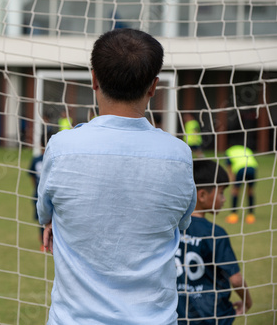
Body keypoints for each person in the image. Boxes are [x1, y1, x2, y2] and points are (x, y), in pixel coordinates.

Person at [37, 28, 197, 324]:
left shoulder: (61, 147)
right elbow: (183, 221)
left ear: (94, 79)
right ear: (153, 87)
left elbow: (45, 210)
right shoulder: (179, 154)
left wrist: (51, 221)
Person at [177, 160, 252, 324]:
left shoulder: (173, 230)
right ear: (202, 195)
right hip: (213, 315)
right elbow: (236, 279)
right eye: (221, 193)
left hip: (177, 313)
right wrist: (247, 301)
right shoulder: (215, 233)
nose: (224, 199)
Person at [224, 145, 258, 224]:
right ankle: (250, 215)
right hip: (252, 168)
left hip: (240, 169)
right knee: (250, 191)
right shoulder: (247, 149)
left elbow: (229, 167)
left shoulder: (229, 151)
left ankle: (233, 215)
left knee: (235, 191)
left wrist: (232, 177)